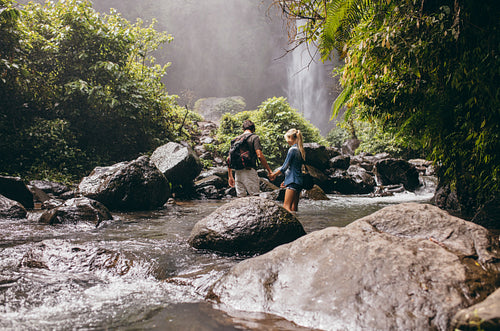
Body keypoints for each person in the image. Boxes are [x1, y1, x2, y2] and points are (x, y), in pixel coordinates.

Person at [228, 120, 273, 197]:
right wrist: (269, 170)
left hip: (237, 172)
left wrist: (230, 176)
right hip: (249, 171)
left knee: (241, 198)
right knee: (255, 196)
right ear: (253, 129)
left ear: (243, 129)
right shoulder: (254, 137)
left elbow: (229, 158)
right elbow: (259, 155)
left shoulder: (236, 139)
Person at [269, 129, 305, 212]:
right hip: (298, 182)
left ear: (291, 137)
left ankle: (290, 225)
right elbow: (294, 168)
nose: (287, 142)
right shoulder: (300, 150)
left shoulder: (292, 150)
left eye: (287, 139)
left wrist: (274, 175)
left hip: (292, 181)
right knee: (294, 208)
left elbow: (284, 167)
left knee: (286, 207)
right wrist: (286, 180)